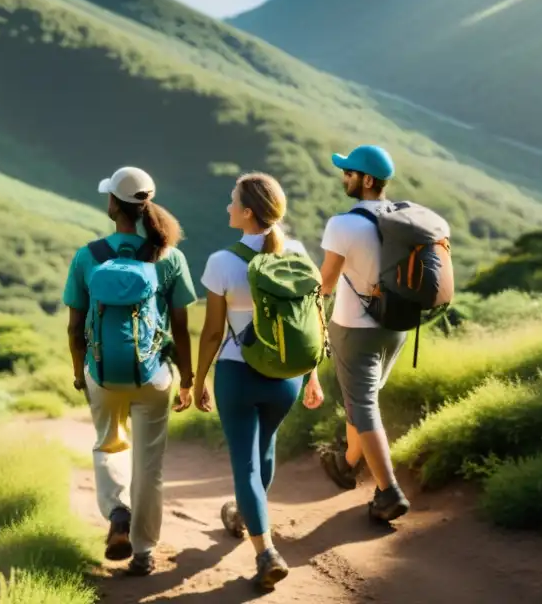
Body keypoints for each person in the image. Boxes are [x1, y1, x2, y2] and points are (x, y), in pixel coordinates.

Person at [193, 172, 325, 592]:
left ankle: (266, 551)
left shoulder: (222, 262)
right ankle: (247, 517)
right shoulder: (299, 252)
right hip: (286, 376)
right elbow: (312, 321)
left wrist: (198, 381)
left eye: (233, 201)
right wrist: (312, 375)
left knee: (246, 465)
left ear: (248, 212)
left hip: (238, 372)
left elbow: (213, 332)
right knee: (264, 451)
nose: (228, 207)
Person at [62, 166, 197, 577]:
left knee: (108, 444)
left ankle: (117, 513)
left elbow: (74, 326)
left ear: (113, 204)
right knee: (150, 467)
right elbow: (180, 326)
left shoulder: (88, 256)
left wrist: (78, 371)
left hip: (102, 372)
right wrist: (188, 379)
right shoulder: (169, 256)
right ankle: (144, 552)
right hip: (153, 375)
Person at [318, 144, 411, 522]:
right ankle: (347, 462)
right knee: (364, 399)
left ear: (367, 180)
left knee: (363, 405)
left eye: (349, 173)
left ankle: (389, 492)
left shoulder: (343, 224)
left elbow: (324, 283)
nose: (344, 178)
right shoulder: (402, 219)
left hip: (355, 329)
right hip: (397, 327)